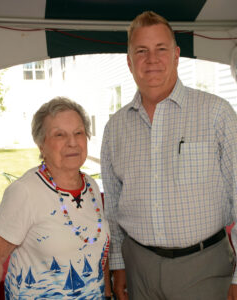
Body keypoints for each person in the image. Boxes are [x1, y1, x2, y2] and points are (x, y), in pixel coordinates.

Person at [101, 10, 237, 300]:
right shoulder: (116, 127)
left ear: (176, 54)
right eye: (141, 51)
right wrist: (118, 263)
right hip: (139, 269)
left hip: (204, 269)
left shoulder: (216, 114)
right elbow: (112, 204)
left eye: (161, 49)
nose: (152, 59)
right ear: (129, 61)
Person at [0, 97, 110, 299]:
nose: (72, 142)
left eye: (79, 133)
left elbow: (96, 250)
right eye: (60, 135)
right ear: (41, 145)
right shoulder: (25, 191)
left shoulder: (91, 187)